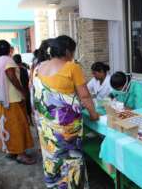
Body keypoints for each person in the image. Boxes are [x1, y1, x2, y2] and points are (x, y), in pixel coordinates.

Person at [32, 35, 99, 188]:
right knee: (70, 158)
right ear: (68, 51)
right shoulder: (72, 67)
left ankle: (55, 184)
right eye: (73, 51)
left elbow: (37, 96)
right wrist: (94, 115)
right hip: (66, 127)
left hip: (46, 125)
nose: (73, 55)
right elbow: (85, 95)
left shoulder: (38, 67)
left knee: (52, 156)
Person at [0, 40, 35, 164]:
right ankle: (20, 154)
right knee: (17, 126)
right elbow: (11, 75)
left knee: (6, 126)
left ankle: (11, 150)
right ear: (9, 50)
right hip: (12, 100)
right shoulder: (8, 61)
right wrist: (22, 90)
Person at [13, 54, 31, 122]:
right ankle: (30, 120)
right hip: (25, 89)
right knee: (27, 105)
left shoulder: (14, 70)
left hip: (19, 91)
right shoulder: (24, 69)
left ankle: (26, 120)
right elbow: (27, 80)